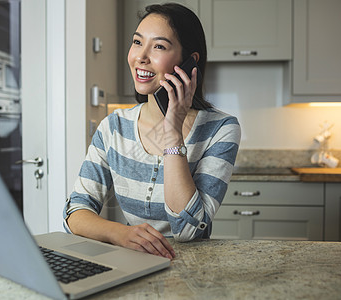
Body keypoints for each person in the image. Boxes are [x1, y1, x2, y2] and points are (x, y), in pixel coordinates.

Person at [63, 3, 241, 260]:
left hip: (196, 272)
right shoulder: (114, 127)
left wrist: (173, 133)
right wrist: (121, 234)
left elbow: (188, 230)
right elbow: (74, 213)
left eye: (159, 46)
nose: (140, 56)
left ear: (190, 62)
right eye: (137, 42)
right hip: (133, 265)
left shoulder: (221, 129)